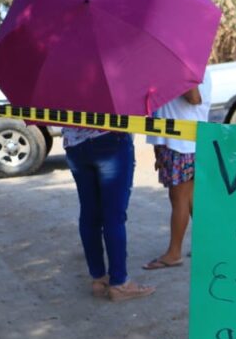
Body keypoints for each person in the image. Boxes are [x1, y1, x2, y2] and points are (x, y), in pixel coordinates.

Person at [63, 126, 155, 302]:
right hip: (109, 138)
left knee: (89, 214)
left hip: (74, 144)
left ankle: (98, 279)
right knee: (114, 217)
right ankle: (119, 283)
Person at [143, 71, 212, 270]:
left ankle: (174, 253)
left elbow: (194, 98)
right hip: (174, 142)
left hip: (182, 143)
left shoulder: (186, 67)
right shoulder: (183, 65)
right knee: (189, 198)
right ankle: (207, 245)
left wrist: (174, 77)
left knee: (179, 198)